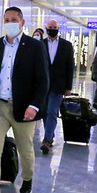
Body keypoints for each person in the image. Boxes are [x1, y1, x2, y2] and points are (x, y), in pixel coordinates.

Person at [0, 6, 49, 193]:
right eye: (6, 19)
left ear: (21, 23)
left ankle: (27, 177)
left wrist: (34, 106)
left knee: (25, 149)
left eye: (13, 19)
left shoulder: (35, 47)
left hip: (23, 107)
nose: (9, 23)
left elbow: (43, 81)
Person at [40, 20, 75, 154]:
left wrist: (68, 87)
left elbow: (70, 67)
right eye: (50, 28)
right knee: (44, 112)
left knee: (52, 111)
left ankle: (47, 140)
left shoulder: (66, 45)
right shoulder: (40, 44)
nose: (53, 30)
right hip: (42, 85)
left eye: (55, 28)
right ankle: (50, 135)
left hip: (58, 85)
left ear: (58, 29)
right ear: (46, 29)